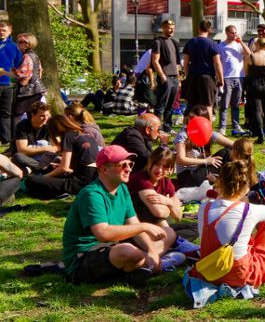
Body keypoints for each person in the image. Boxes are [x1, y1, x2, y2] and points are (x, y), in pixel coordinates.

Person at [62, 145, 184, 286]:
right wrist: (144, 226)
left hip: (111, 248)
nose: (129, 169)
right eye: (122, 165)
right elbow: (103, 234)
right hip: (83, 258)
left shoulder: (122, 189)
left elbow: (134, 225)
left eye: (130, 164)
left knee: (168, 232)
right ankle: (156, 265)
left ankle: (146, 264)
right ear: (104, 169)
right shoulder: (92, 195)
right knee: (127, 250)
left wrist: (152, 250)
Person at [186, 160, 265, 294]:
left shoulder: (204, 208)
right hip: (240, 276)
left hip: (209, 272)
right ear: (246, 186)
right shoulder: (248, 210)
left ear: (219, 183)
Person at [24, 114, 102, 199]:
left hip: (80, 181)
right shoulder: (86, 134)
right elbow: (85, 160)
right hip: (94, 176)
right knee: (51, 170)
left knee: (31, 180)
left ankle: (60, 193)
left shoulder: (68, 136)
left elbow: (64, 168)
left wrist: (44, 177)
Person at [174, 105, 235, 189]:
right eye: (190, 117)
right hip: (187, 177)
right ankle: (232, 184)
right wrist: (205, 161)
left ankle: (236, 181)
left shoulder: (206, 131)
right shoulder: (183, 135)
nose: (190, 120)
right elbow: (181, 159)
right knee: (227, 153)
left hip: (200, 170)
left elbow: (234, 144)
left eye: (194, 118)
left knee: (232, 150)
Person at [127, 146, 182, 225]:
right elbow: (159, 213)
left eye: (165, 167)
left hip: (153, 220)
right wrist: (170, 207)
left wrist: (168, 201)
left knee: (193, 228)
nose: (160, 170)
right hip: (133, 221)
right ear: (150, 162)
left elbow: (178, 217)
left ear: (171, 170)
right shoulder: (141, 179)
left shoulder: (166, 182)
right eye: (157, 164)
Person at [182, 20, 224, 112]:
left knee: (191, 104)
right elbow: (217, 63)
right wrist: (221, 79)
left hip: (193, 77)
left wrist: (187, 76)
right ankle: (207, 126)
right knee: (208, 104)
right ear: (210, 30)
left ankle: (187, 125)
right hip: (207, 78)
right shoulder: (212, 44)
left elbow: (185, 62)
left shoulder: (190, 42)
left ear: (198, 28)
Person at [4, 33, 46, 118]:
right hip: (36, 90)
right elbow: (40, 71)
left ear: (28, 44)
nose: (18, 44)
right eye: (18, 42)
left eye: (21, 42)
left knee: (17, 115)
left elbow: (23, 75)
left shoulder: (26, 56)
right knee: (31, 116)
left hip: (29, 92)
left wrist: (8, 72)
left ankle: (18, 131)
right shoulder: (34, 55)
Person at [150, 19, 182, 133]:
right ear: (163, 28)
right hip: (166, 77)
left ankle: (168, 127)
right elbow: (155, 60)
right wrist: (162, 75)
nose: (172, 29)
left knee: (171, 104)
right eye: (169, 27)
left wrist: (178, 78)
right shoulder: (158, 42)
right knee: (161, 104)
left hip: (174, 77)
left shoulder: (174, 42)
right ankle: (157, 129)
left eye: (173, 27)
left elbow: (177, 63)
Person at [244, 37, 265, 144]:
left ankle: (261, 135)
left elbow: (246, 72)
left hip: (255, 85)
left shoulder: (250, 57)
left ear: (256, 44)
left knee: (257, 111)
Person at [11, 101, 55, 173]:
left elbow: (56, 147)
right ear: (33, 115)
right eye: (42, 116)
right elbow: (22, 150)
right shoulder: (22, 126)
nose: (46, 118)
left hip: (44, 158)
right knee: (18, 156)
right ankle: (44, 168)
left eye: (47, 115)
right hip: (28, 158)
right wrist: (45, 149)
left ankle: (32, 169)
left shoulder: (50, 125)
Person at [217, 25, 246, 135]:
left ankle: (236, 125)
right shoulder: (220, 46)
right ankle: (222, 127)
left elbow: (248, 54)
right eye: (232, 33)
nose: (234, 35)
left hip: (239, 77)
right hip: (227, 78)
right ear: (227, 33)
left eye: (235, 32)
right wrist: (220, 78)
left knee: (236, 104)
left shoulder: (238, 45)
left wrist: (241, 42)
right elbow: (218, 62)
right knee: (224, 104)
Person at [0, 21, 23, 144]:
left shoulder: (14, 47)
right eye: (0, 30)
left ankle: (6, 138)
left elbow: (18, 65)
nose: (1, 32)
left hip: (8, 84)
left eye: (4, 30)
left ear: (10, 31)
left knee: (6, 112)